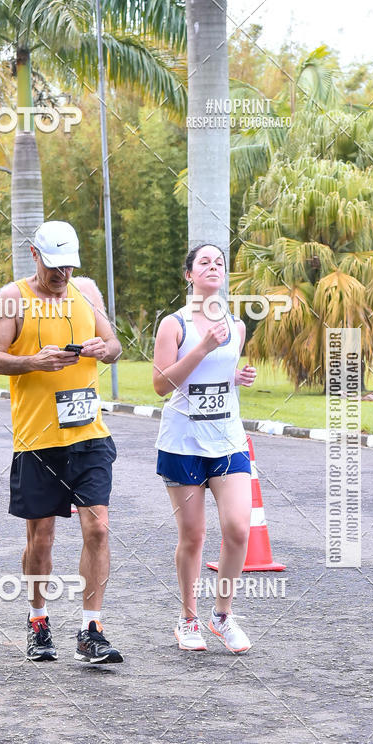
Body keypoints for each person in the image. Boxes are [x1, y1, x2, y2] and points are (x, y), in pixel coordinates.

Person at [0, 220, 123, 665]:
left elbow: (116, 344)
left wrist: (106, 349)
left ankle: (91, 629)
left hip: (89, 435)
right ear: (34, 255)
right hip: (38, 439)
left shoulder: (84, 292)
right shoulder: (13, 297)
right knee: (41, 536)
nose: (61, 274)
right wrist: (33, 362)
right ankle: (38, 620)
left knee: (97, 527)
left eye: (68, 265)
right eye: (53, 265)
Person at [152, 243, 257, 653]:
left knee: (238, 528)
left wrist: (237, 378)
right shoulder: (173, 325)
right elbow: (162, 385)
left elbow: (217, 379)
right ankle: (188, 619)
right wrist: (202, 347)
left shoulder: (237, 324)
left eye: (219, 263)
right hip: (183, 443)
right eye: (204, 262)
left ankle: (223, 616)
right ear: (189, 275)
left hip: (228, 440)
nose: (213, 267)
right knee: (193, 535)